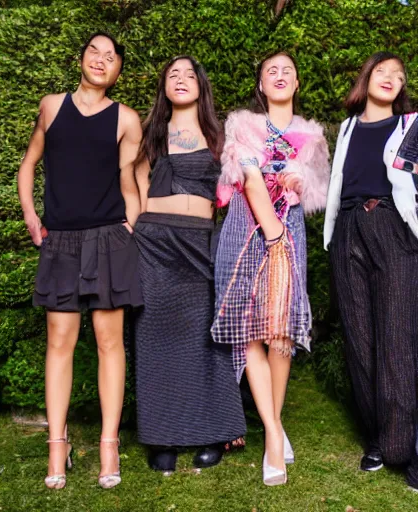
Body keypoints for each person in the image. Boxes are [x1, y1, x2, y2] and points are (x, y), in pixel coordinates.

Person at [17, 32, 143, 490]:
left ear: (117, 72)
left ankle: (109, 445)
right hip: (61, 242)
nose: (101, 60)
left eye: (111, 58)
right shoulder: (51, 106)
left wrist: (132, 224)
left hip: (109, 240)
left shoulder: (127, 119)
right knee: (60, 341)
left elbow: (131, 179)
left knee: (111, 342)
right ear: (81, 59)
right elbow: (29, 163)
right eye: (95, 51)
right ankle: (58, 443)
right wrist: (32, 216)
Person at [212, 52, 330, 485]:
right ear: (261, 85)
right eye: (270, 72)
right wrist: (273, 229)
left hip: (291, 229)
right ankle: (275, 434)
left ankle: (271, 430)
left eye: (287, 71)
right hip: (247, 229)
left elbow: (315, 188)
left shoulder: (313, 137)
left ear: (297, 83)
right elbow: (249, 178)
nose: (280, 77)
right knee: (249, 331)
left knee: (280, 331)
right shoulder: (242, 126)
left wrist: (299, 181)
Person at [134, 55, 246, 474]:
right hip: (154, 241)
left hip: (201, 243)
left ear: (201, 85)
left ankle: (214, 431)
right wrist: (133, 229)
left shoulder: (222, 136)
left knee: (206, 337)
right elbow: (137, 184)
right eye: (172, 75)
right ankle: (162, 435)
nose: (180, 80)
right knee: (155, 336)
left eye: (188, 75)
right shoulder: (151, 134)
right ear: (164, 87)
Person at [324, 52, 418, 486]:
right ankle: (379, 440)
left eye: (398, 76)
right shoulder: (346, 128)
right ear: (367, 79)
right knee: (360, 342)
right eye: (382, 71)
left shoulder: (411, 126)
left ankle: (406, 446)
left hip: (392, 229)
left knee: (397, 336)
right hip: (347, 229)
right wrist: (333, 237)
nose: (390, 78)